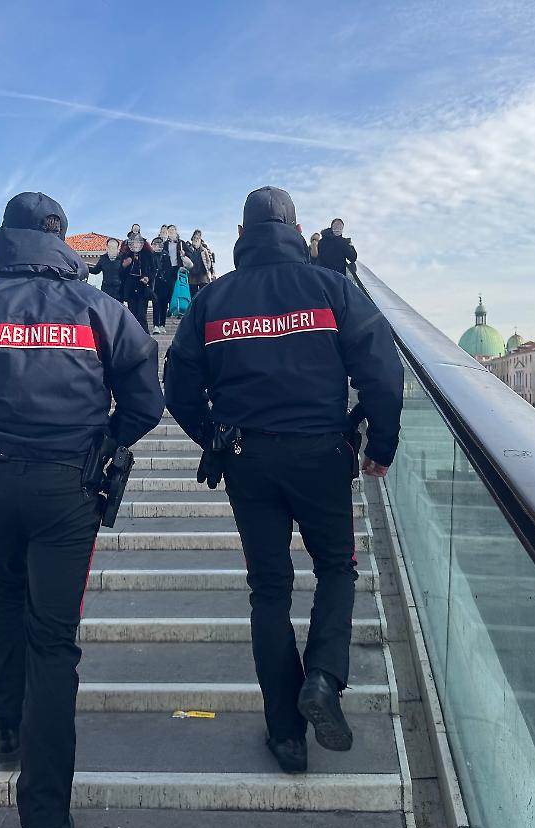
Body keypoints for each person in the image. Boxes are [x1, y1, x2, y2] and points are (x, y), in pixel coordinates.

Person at [0, 192, 164, 828]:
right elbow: (145, 401)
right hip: (66, 487)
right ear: (62, 241)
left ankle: (5, 721)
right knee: (55, 639)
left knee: (4, 584)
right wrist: (106, 437)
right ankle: (44, 822)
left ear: (7, 237)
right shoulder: (101, 310)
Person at [164, 187, 403, 775]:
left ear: (241, 231)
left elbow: (178, 384)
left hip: (249, 457)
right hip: (323, 453)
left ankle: (287, 737)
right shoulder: (333, 289)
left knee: (269, 590)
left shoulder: (213, 298)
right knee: (336, 569)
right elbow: (381, 368)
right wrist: (382, 444)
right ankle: (322, 677)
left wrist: (214, 437)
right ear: (297, 228)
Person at [154, 225, 188, 334]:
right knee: (163, 299)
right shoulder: (164, 245)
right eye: (169, 231)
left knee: (176, 296)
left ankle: (179, 321)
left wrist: (185, 254)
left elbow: (191, 256)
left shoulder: (182, 243)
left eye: (173, 230)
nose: (171, 232)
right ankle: (161, 324)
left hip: (177, 271)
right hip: (166, 273)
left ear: (176, 231)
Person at [120, 234, 156, 332]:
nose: (136, 244)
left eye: (138, 242)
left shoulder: (147, 254)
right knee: (132, 315)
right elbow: (121, 275)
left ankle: (146, 337)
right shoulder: (125, 254)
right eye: (133, 242)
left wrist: (148, 278)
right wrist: (124, 266)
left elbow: (153, 270)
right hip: (131, 288)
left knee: (141, 316)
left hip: (143, 288)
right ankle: (133, 337)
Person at [187, 229, 215, 298]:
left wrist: (211, 272)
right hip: (192, 277)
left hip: (203, 276)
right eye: (194, 238)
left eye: (197, 238)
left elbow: (210, 262)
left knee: (204, 295)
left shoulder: (204, 250)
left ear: (200, 240)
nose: (195, 240)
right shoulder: (189, 249)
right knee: (193, 297)